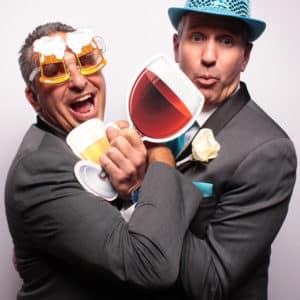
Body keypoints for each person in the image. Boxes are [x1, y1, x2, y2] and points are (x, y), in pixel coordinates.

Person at [5, 22, 202, 299]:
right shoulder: (39, 169)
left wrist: (137, 188)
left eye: (86, 62)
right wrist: (159, 152)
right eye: (54, 72)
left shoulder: (97, 143)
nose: (78, 81)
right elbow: (152, 266)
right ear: (34, 99)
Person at [162, 0, 297, 299]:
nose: (209, 57)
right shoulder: (154, 116)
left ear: (245, 56)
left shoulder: (270, 150)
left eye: (226, 41)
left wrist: (145, 185)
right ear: (176, 45)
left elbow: (212, 281)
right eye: (197, 37)